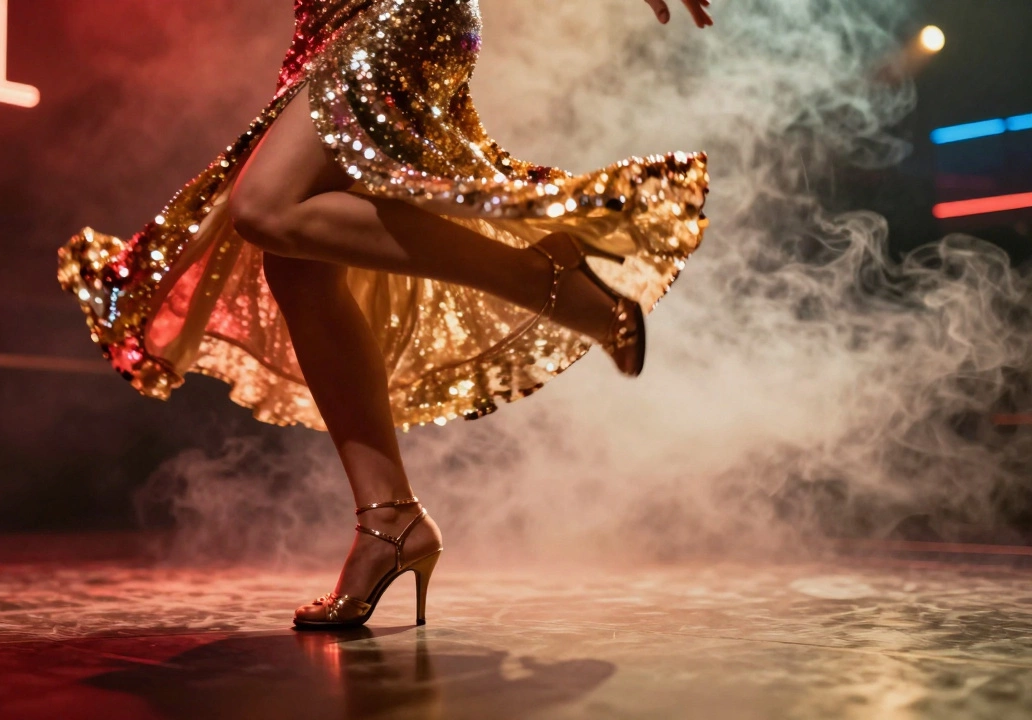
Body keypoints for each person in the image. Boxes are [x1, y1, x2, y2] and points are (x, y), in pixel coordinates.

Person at [58, 0, 713, 628]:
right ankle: (388, 519)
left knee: (264, 209)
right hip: (328, 24)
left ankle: (546, 279)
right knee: (298, 268)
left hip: (395, 11)